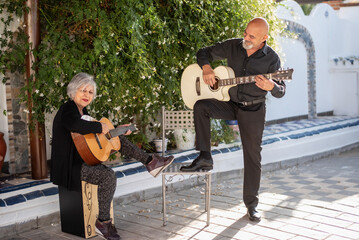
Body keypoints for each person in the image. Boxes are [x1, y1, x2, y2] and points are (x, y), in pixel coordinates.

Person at [180, 17, 286, 222]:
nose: (245, 37)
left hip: (253, 110)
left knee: (252, 157)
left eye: (251, 36)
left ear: (264, 38)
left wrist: (271, 87)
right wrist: (207, 68)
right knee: (201, 106)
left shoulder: (272, 59)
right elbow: (203, 52)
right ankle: (205, 157)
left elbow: (281, 90)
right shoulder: (234, 46)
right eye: (245, 32)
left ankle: (252, 205)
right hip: (230, 103)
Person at [50, 72, 174, 240]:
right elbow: (77, 125)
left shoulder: (82, 110)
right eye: (83, 91)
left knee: (117, 137)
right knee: (108, 176)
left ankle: (151, 162)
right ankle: (103, 223)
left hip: (84, 159)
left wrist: (115, 130)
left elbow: (91, 140)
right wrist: (102, 127)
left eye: (90, 92)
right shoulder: (67, 110)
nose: (87, 95)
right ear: (73, 91)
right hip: (71, 167)